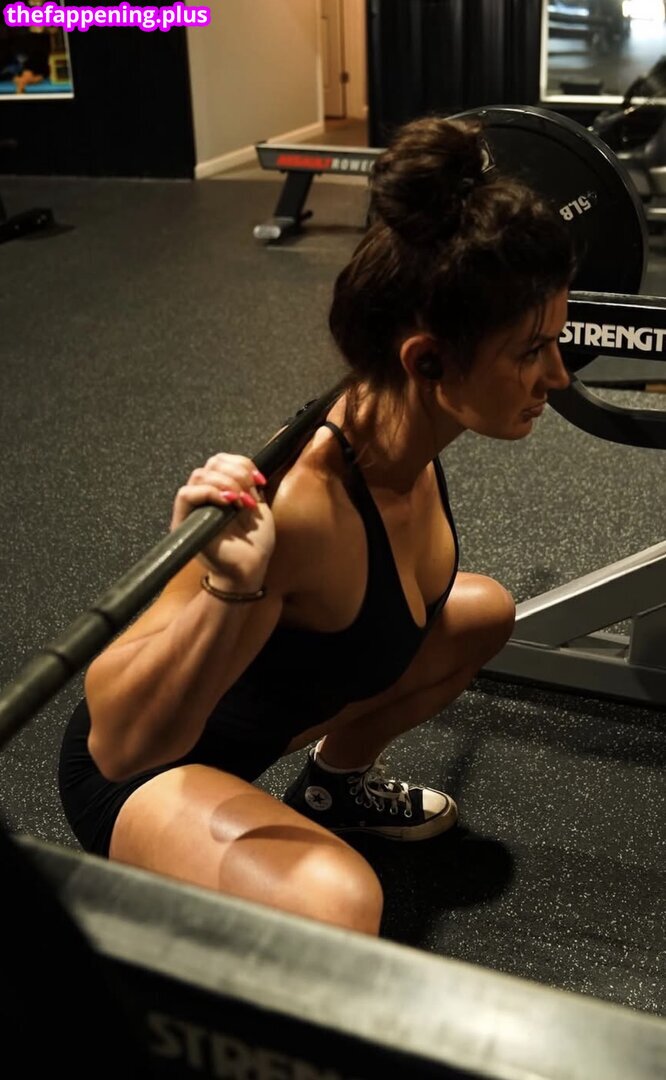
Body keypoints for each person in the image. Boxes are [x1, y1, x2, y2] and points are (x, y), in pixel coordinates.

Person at [59, 115, 575, 938]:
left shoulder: (401, 429)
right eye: (531, 350)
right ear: (426, 360)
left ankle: (334, 790)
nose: (557, 375)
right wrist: (229, 591)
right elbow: (119, 745)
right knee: (340, 899)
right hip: (146, 776)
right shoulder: (301, 505)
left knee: (481, 611)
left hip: (251, 732)